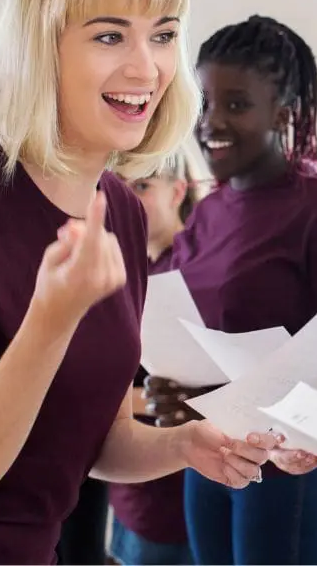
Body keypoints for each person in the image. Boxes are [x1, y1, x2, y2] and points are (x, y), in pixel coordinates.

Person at [0, 0, 275, 566]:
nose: (145, 66)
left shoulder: (120, 211)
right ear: (40, 48)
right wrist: (51, 319)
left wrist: (182, 444)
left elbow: (87, 438)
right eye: (109, 35)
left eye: (163, 35)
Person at [145, 15, 317, 565]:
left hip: (289, 461)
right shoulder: (209, 212)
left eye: (237, 104)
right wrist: (175, 393)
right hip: (210, 449)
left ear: (283, 113)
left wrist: (291, 425)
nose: (211, 121)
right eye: (204, 103)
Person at [108, 151, 198, 565]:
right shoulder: (122, 267)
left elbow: (188, 391)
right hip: (128, 483)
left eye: (143, 186)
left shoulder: (197, 272)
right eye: (118, 187)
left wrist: (121, 400)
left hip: (179, 484)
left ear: (178, 191)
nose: (126, 199)